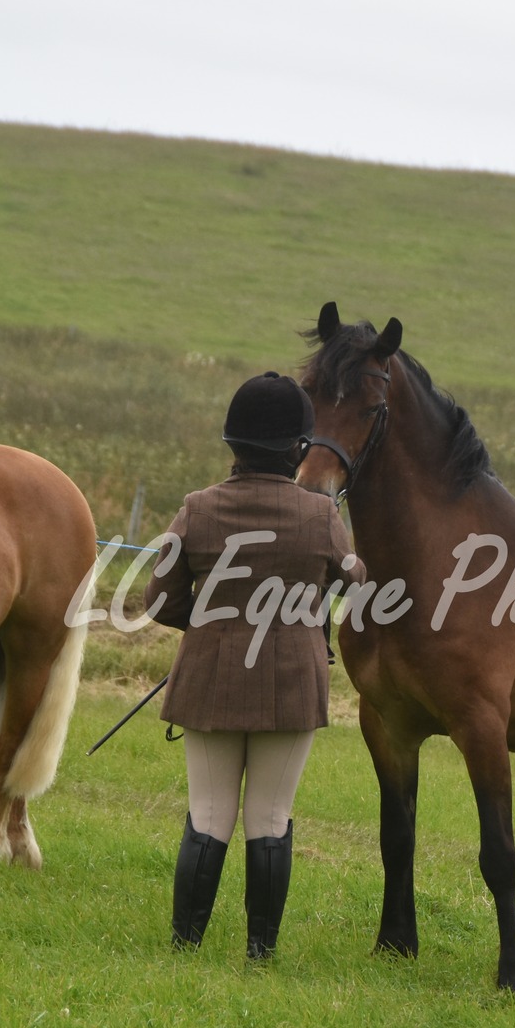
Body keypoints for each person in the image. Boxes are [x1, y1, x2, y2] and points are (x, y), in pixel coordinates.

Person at [143, 371, 364, 959]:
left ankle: (185, 945)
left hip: (208, 676)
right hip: (292, 682)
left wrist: (211, 625)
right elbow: (355, 580)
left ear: (232, 442)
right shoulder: (320, 515)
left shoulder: (197, 508)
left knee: (209, 812)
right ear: (298, 447)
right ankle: (260, 952)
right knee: (270, 816)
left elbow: (158, 600)